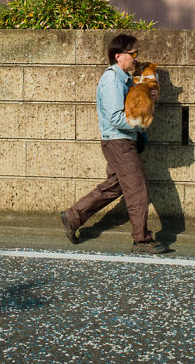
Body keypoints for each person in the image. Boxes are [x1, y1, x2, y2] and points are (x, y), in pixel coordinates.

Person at [60, 33, 169, 254]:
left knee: (115, 186)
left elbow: (131, 107)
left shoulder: (125, 80)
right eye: (133, 53)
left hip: (122, 141)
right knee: (137, 189)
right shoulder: (112, 80)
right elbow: (115, 118)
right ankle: (142, 240)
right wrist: (142, 124)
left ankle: (73, 216)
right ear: (119, 56)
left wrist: (150, 98)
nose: (136, 58)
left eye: (137, 53)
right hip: (119, 141)